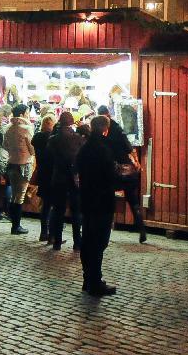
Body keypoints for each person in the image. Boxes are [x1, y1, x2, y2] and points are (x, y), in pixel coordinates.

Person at [75, 115, 120, 296]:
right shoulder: (104, 149)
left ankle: (88, 278)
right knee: (99, 241)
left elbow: (78, 169)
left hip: (87, 199)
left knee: (88, 240)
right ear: (105, 129)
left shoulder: (85, 148)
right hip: (102, 200)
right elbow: (110, 175)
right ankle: (94, 281)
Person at [98, 105, 146, 243]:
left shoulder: (103, 132)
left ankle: (107, 231)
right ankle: (142, 230)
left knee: (108, 200)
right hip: (127, 169)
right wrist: (136, 162)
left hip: (113, 170)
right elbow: (128, 147)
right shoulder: (118, 129)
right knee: (133, 202)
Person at [47, 112, 85, 252]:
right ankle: (77, 242)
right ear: (71, 123)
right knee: (76, 211)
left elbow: (50, 157)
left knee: (58, 210)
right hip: (74, 178)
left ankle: (57, 241)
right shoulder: (78, 139)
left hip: (58, 177)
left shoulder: (53, 139)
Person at [3, 105, 34, 235]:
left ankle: (14, 223)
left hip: (11, 163)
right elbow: (32, 149)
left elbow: (5, 145)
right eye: (27, 112)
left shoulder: (8, 128)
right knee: (19, 197)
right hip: (23, 165)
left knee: (14, 195)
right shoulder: (26, 129)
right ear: (21, 114)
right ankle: (16, 226)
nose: (28, 114)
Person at [31, 115, 56, 242]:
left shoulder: (37, 138)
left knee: (45, 204)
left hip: (42, 173)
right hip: (53, 174)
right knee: (53, 205)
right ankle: (52, 234)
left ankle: (43, 232)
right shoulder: (52, 139)